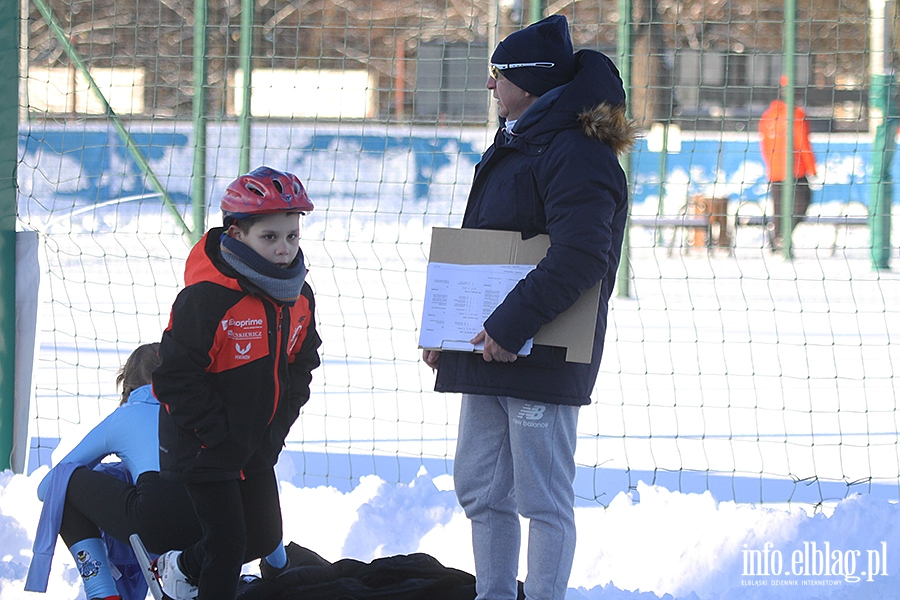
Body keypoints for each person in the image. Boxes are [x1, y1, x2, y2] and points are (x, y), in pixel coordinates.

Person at [422, 14, 636, 600]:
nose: (489, 86)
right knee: (480, 489)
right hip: (489, 346)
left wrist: (510, 326)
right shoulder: (517, 141)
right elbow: (485, 248)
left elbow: (581, 254)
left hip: (536, 353)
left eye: (498, 74)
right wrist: (448, 327)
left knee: (543, 499)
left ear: (530, 82)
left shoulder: (576, 152)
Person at [152, 166, 322, 600]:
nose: (284, 249)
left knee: (264, 539)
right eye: (270, 237)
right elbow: (173, 377)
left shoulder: (299, 296)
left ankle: (178, 566)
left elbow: (302, 363)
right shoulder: (207, 299)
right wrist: (217, 436)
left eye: (292, 236)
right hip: (202, 444)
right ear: (237, 233)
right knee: (226, 548)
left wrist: (276, 428)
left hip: (255, 443)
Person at [29, 343, 202, 600]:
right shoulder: (200, 413)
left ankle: (102, 592)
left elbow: (48, 487)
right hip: (206, 529)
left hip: (154, 524)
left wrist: (113, 475)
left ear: (128, 386)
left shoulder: (125, 415)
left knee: (66, 480)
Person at [758, 79, 818, 250]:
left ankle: (778, 239)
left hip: (776, 172)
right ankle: (782, 236)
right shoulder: (797, 115)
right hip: (794, 170)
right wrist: (812, 168)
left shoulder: (768, 116)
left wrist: (771, 165)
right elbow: (803, 143)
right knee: (801, 204)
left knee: (779, 209)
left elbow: (764, 146)